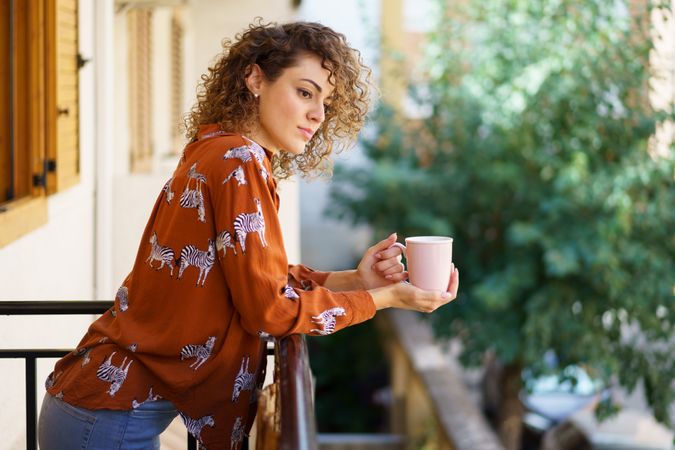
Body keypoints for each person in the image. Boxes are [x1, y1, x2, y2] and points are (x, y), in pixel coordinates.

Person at [38, 20, 460, 450]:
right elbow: (269, 311)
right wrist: (386, 299)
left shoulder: (220, 149)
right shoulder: (238, 161)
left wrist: (356, 279)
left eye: (326, 102)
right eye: (305, 92)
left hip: (95, 411)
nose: (318, 113)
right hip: (106, 420)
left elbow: (257, 276)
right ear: (255, 78)